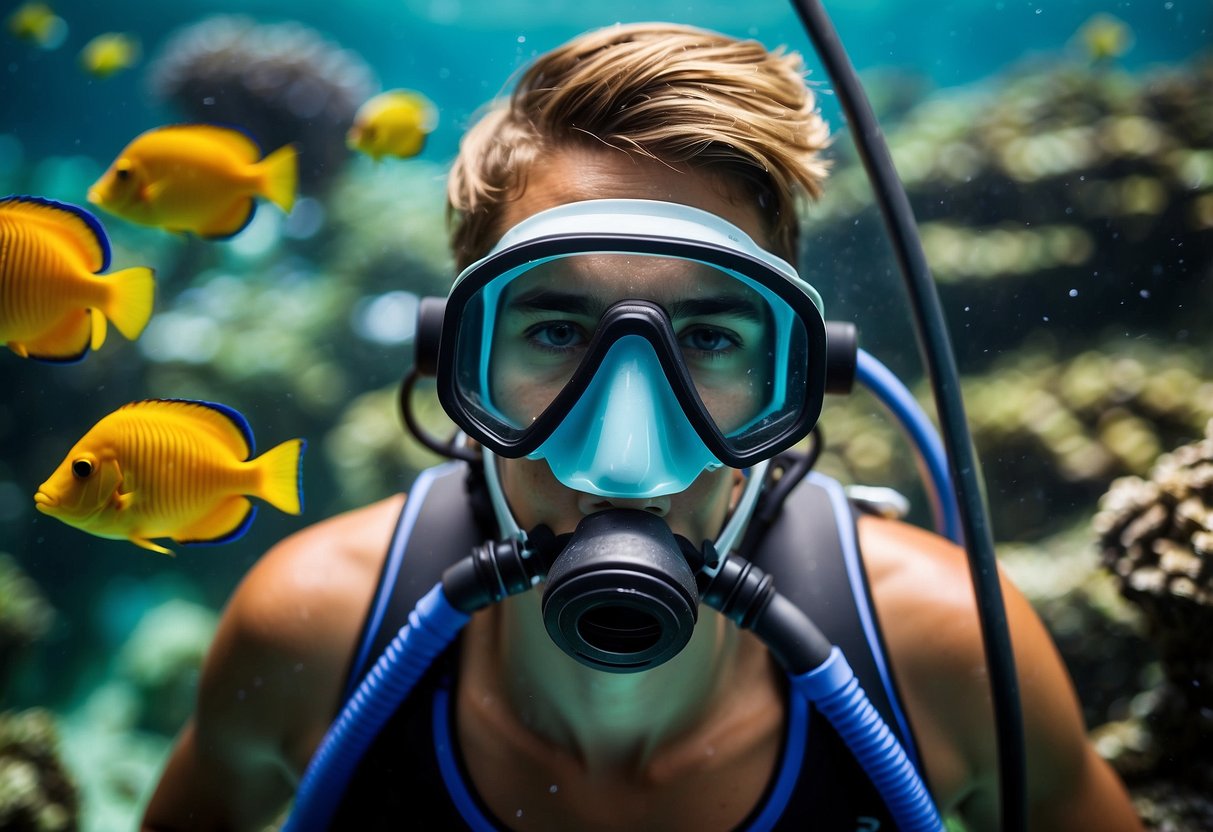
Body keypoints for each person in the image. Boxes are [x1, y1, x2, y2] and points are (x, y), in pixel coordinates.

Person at [141, 22, 1142, 831]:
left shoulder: (944, 649)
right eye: (555, 327)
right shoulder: (310, 632)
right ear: (455, 356)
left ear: (796, 370)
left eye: (706, 335)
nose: (624, 451)